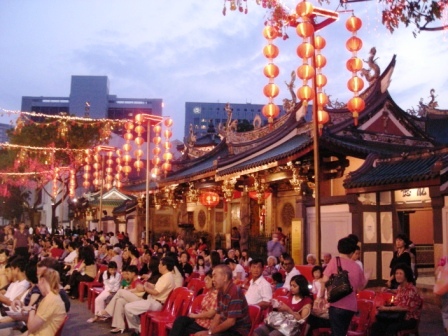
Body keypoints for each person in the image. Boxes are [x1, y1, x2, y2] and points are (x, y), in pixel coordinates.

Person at [321, 236, 367, 336]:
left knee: (337, 333)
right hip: (351, 307)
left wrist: (319, 297)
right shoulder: (357, 266)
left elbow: (325, 280)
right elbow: (360, 288)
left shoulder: (334, 261)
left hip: (337, 304)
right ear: (352, 251)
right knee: (342, 332)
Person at [194, 264, 251, 336]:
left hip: (238, 331)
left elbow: (231, 321)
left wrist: (209, 333)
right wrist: (210, 331)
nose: (213, 279)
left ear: (224, 277)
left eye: (215, 276)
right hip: (227, 328)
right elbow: (218, 314)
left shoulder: (234, 291)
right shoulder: (220, 291)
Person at [124, 256, 176, 335]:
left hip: (156, 303)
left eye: (160, 264)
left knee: (128, 307)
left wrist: (144, 287)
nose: (159, 266)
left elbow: (155, 292)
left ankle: (139, 329)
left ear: (165, 266)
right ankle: (140, 329)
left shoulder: (167, 277)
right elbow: (157, 288)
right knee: (127, 305)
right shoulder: (166, 276)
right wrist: (148, 284)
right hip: (152, 300)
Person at [370, 263, 423, 336]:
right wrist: (389, 290)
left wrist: (387, 309)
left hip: (409, 319)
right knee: (377, 325)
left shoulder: (411, 289)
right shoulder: (400, 287)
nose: (398, 275)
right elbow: (398, 291)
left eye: (401, 273)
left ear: (406, 275)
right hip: (398, 316)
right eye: (396, 273)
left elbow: (404, 308)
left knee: (391, 328)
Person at [169, 270, 218, 336]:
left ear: (214, 281)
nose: (205, 282)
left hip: (204, 325)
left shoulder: (216, 295)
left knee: (181, 329)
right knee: (180, 320)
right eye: (205, 279)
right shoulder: (209, 293)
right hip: (199, 320)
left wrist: (195, 316)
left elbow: (210, 314)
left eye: (208, 280)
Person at [99, 265, 145, 333]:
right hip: (132, 300)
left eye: (128, 274)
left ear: (133, 274)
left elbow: (140, 289)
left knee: (120, 292)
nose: (127, 276)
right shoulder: (132, 281)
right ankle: (119, 326)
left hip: (138, 301)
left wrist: (129, 290)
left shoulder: (137, 281)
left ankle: (107, 311)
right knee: (119, 301)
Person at [25, 268, 67, 335]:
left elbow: (30, 327)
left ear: (42, 280)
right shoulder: (53, 297)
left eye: (38, 281)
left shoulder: (50, 300)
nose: (38, 285)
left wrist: (31, 310)